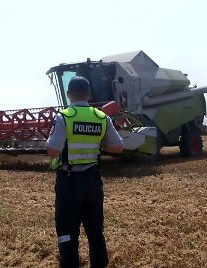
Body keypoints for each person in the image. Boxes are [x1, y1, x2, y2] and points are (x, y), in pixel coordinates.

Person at [46, 76, 124, 267]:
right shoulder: (101, 117)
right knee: (95, 231)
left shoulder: (64, 116)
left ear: (68, 94)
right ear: (88, 94)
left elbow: (53, 151)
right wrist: (98, 146)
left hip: (69, 181)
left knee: (67, 233)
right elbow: (118, 147)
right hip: (93, 181)